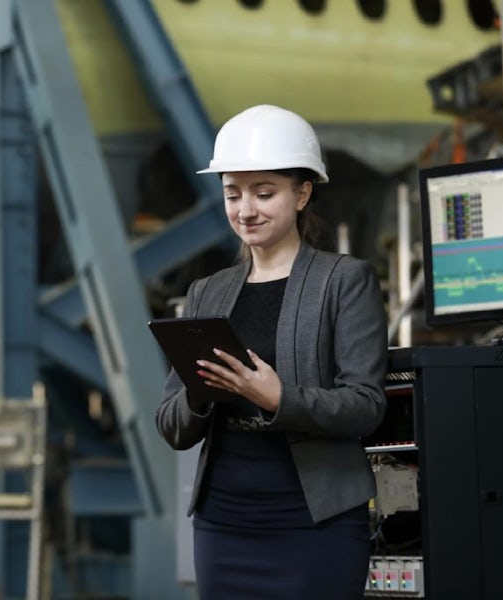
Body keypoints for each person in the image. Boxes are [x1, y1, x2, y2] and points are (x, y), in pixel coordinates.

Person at [155, 104, 388, 599]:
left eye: (264, 193)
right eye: (232, 194)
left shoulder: (344, 281)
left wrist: (278, 397)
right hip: (224, 522)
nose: (246, 210)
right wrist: (200, 395)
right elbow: (171, 424)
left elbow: (366, 405)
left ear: (303, 193)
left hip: (315, 522)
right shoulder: (206, 292)